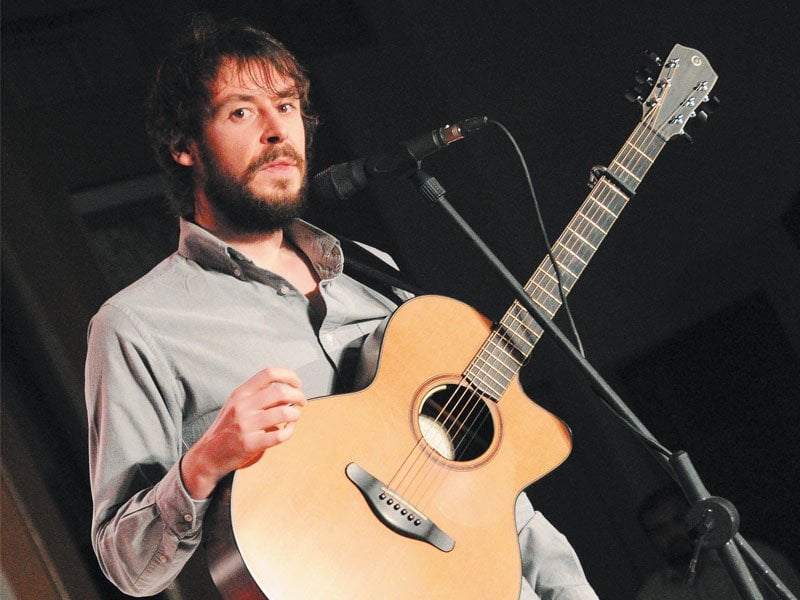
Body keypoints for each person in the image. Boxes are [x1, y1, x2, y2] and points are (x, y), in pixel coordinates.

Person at [85, 14, 598, 599]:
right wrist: (205, 462)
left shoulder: (369, 271)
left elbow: (486, 484)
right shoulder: (137, 326)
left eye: (287, 106)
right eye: (242, 111)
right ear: (184, 146)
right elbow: (127, 566)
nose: (278, 130)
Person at [636, 485, 800, 600]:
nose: (674, 533)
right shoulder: (652, 594)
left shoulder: (752, 559)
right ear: (650, 539)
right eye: (659, 529)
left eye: (680, 520)